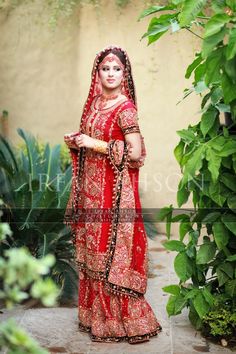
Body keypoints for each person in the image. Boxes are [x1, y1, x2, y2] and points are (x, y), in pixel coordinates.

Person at [64, 45, 162, 344]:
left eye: (116, 68)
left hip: (114, 196)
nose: (110, 73)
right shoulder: (94, 104)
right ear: (98, 73)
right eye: (105, 68)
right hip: (91, 192)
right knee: (93, 252)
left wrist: (93, 144)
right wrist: (77, 142)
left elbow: (135, 153)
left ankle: (121, 322)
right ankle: (96, 319)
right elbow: (92, 139)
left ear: (125, 74)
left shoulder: (125, 108)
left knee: (109, 254)